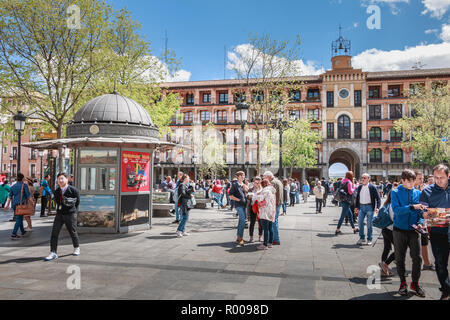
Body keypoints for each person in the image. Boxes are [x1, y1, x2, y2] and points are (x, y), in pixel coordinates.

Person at [391, 169, 426, 297]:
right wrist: (412, 207)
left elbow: (422, 211)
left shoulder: (418, 193)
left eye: (413, 181)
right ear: (403, 180)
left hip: (414, 230)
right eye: (409, 182)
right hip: (399, 230)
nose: (412, 184)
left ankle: (415, 283)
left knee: (417, 258)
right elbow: (396, 210)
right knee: (400, 258)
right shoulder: (395, 192)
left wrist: (421, 222)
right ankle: (403, 283)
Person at [420, 164, 450, 300]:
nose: (438, 180)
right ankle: (446, 289)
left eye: (442, 177)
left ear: (448, 176)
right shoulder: (427, 191)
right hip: (438, 232)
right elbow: (423, 209)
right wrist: (425, 214)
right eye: (436, 177)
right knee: (440, 263)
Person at [44, 173, 80, 261]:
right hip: (60, 214)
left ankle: (76, 247)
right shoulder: (56, 191)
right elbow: (57, 202)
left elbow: (77, 202)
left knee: (72, 232)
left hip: (70, 214)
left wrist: (74, 212)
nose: (60, 181)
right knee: (54, 233)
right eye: (59, 179)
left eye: (62, 178)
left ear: (66, 179)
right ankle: (53, 252)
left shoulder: (73, 190)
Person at [414, 171, 435, 271]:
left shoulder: (423, 189)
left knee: (424, 241)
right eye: (419, 178)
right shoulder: (414, 191)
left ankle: (427, 263)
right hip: (414, 221)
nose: (422, 180)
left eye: (423, 178)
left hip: (422, 221)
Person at [354, 173, 381, 246]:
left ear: (369, 179)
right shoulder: (359, 187)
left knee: (369, 224)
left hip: (369, 207)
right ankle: (362, 237)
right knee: (360, 223)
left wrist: (378, 207)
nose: (363, 179)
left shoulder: (372, 187)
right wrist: (356, 207)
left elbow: (378, 198)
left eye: (364, 178)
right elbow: (357, 198)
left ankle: (369, 239)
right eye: (362, 177)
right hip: (361, 207)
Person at [4, 173, 31, 240]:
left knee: (20, 217)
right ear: (22, 178)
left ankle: (23, 231)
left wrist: (7, 205)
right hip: (21, 205)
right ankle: (14, 233)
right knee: (19, 219)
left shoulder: (13, 186)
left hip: (14, 205)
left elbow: (10, 197)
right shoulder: (24, 186)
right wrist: (32, 203)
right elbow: (28, 196)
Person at [335, 171, 359, 235]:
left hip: (343, 200)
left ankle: (354, 229)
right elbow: (351, 192)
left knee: (350, 215)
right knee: (342, 216)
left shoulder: (343, 181)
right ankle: (337, 229)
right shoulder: (349, 182)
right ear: (351, 176)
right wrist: (354, 188)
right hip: (347, 201)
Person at [378, 189, 396, 277]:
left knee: (387, 248)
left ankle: (383, 269)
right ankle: (385, 265)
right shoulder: (393, 205)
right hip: (391, 230)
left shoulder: (386, 204)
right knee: (399, 250)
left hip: (385, 229)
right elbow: (394, 219)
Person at [255, 179, 276, 250]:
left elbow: (260, 199)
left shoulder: (265, 191)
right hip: (271, 210)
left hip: (265, 211)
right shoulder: (272, 190)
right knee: (270, 228)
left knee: (265, 229)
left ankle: (265, 245)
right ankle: (270, 243)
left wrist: (255, 195)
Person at [263, 171, 283, 245]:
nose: (264, 179)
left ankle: (275, 239)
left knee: (273, 222)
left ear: (268, 177)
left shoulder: (273, 182)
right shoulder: (278, 181)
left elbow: (270, 193)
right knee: (274, 221)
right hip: (278, 203)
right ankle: (274, 239)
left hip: (275, 204)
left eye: (264, 177)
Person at [229, 171, 247, 246]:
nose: (243, 177)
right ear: (238, 176)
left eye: (244, 175)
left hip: (244, 205)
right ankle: (239, 238)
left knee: (241, 221)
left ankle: (239, 237)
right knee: (243, 220)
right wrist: (238, 200)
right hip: (239, 205)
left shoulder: (243, 184)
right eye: (242, 175)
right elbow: (230, 196)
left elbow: (244, 194)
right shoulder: (235, 184)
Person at [247, 177, 263, 242]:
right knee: (252, 222)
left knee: (260, 222)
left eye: (258, 183)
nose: (256, 184)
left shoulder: (262, 189)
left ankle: (260, 236)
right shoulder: (251, 189)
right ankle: (251, 237)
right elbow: (247, 197)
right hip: (252, 207)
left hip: (260, 208)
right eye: (255, 182)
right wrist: (248, 197)